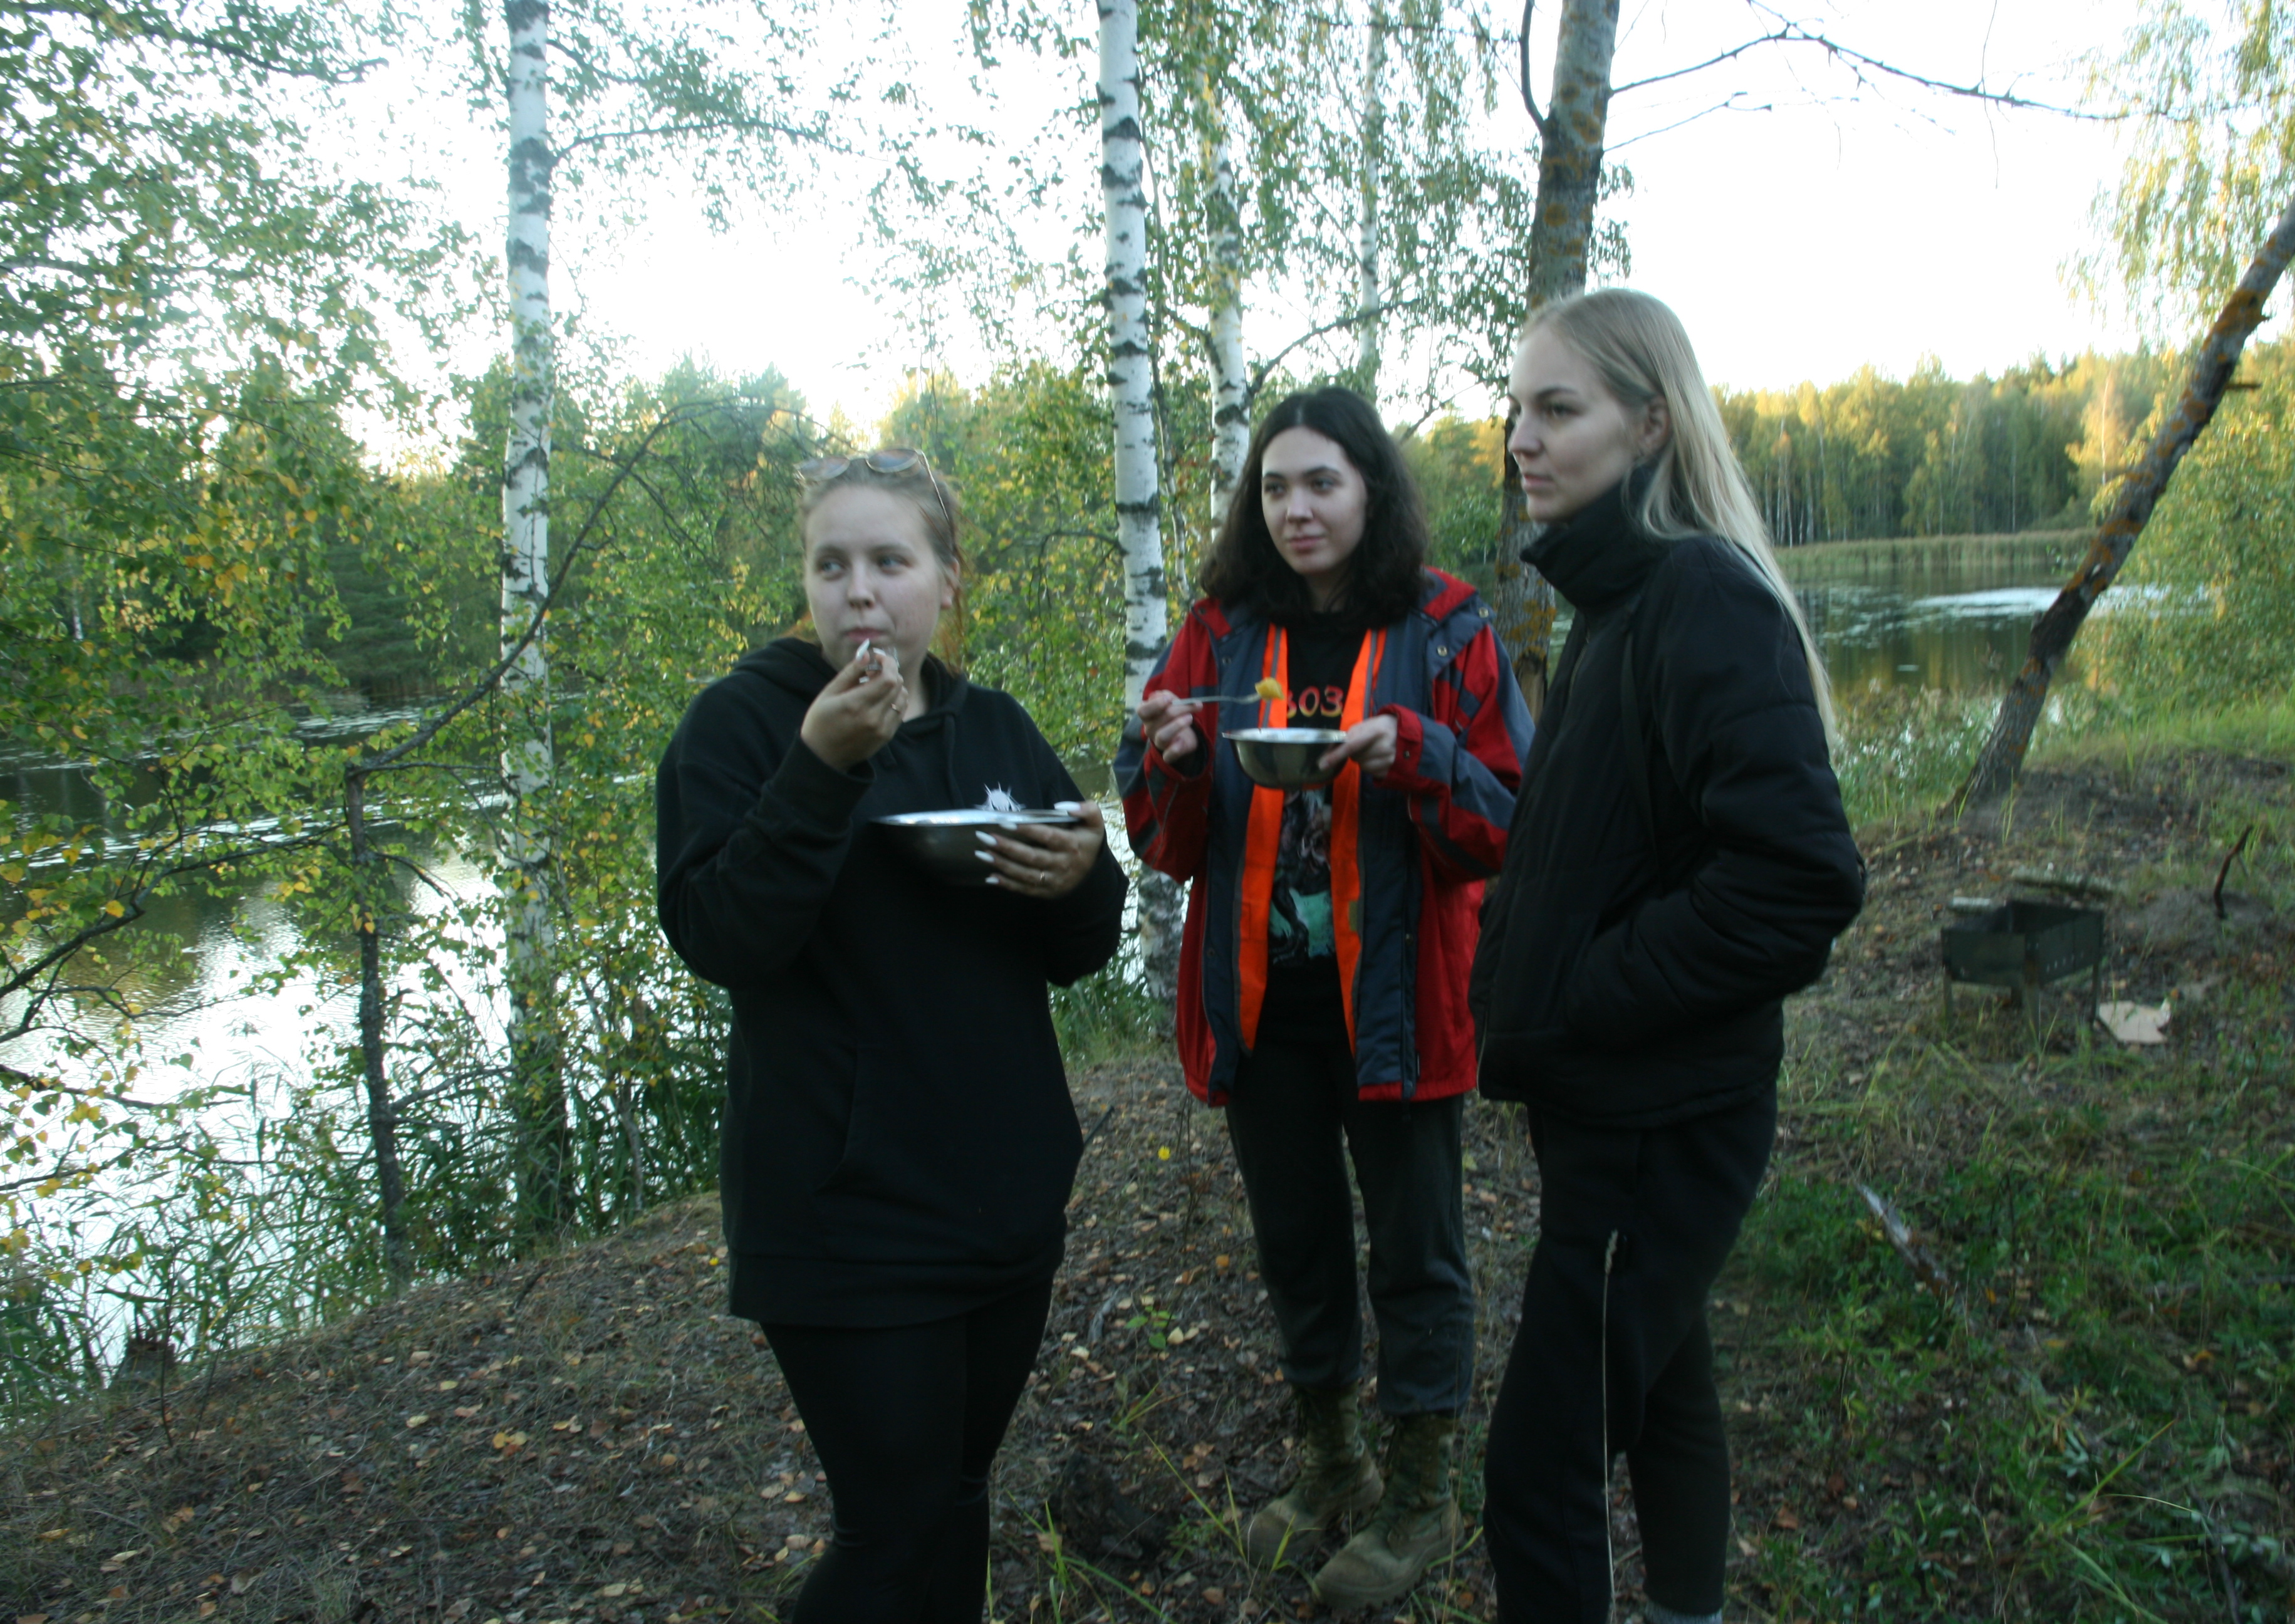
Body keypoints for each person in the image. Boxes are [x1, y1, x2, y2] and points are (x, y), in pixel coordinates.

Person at [655, 449, 1127, 1624]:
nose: (858, 589)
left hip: (1002, 1196)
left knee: (958, 1497)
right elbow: (722, 934)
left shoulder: (994, 727)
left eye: (888, 561)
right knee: (893, 1525)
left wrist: (1083, 877)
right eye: (831, 565)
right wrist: (821, 769)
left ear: (946, 579)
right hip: (843, 1209)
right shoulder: (742, 725)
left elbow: (1079, 945)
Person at [1470, 289, 1866, 1624]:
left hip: (1658, 1115)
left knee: (1541, 1472)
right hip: (1622, 1105)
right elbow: (1621, 846)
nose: (1522, 440)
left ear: (1650, 424)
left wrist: (1584, 993)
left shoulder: (1697, 595)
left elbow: (1795, 879)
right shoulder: (1621, 600)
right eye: (1516, 410)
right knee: (1669, 1383)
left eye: (1558, 408)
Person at [1118, 388, 1532, 1610]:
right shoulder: (1221, 633)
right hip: (1264, 1003)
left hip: (1399, 1002)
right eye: (1274, 488)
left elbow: (1513, 822)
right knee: (1297, 1246)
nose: (1295, 509)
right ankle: (1335, 1465)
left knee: (1417, 1254)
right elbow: (1161, 838)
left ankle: (1421, 1496)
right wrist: (1170, 760)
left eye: (1321, 483)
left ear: (1370, 491)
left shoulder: (1446, 627)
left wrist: (1424, 755)